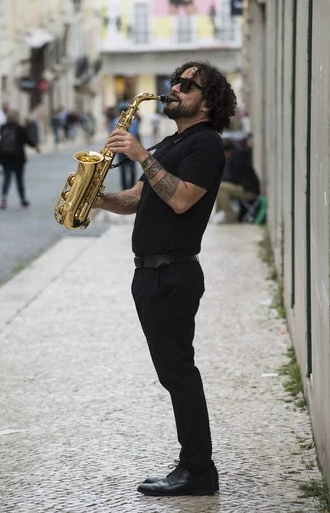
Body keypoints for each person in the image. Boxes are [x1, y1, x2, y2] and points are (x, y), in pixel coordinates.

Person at [94, 61, 236, 497]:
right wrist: (93, 199)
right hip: (150, 274)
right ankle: (192, 464)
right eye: (173, 81)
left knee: (179, 374)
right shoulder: (175, 141)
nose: (173, 88)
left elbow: (181, 200)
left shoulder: (206, 145)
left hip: (173, 274)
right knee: (173, 373)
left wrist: (140, 154)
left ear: (208, 101)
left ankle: (198, 471)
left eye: (186, 85)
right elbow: (139, 198)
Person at [0, 110, 40, 210]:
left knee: (6, 180)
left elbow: (1, 143)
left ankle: (3, 199)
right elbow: (28, 140)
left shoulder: (3, 128)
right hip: (18, 159)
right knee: (19, 180)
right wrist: (35, 146)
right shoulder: (20, 128)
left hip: (5, 158)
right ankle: (23, 200)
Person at [213, 141, 260, 224]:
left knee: (220, 187)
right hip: (244, 188)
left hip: (249, 191)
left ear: (226, 151)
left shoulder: (236, 158)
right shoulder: (236, 156)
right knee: (220, 187)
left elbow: (233, 178)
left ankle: (230, 217)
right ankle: (219, 214)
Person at [110, 105, 140, 190]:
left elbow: (112, 135)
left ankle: (124, 189)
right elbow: (137, 134)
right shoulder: (135, 120)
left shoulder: (115, 121)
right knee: (132, 168)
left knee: (122, 169)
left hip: (120, 148)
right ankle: (132, 188)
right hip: (132, 147)